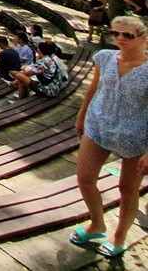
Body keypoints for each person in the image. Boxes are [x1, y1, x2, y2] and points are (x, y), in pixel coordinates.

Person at [70, 16, 148, 258]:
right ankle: (97, 224)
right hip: (98, 125)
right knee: (84, 178)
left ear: (144, 39)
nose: (120, 39)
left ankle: (119, 237)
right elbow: (94, 88)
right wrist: (82, 115)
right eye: (116, 34)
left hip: (135, 135)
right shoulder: (104, 57)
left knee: (128, 188)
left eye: (127, 35)